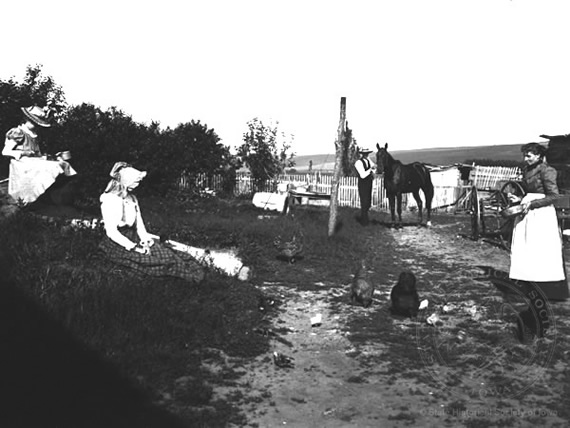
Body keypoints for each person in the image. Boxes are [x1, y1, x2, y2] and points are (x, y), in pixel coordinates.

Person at [99, 162, 205, 283]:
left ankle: (191, 278)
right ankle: (177, 281)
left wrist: (145, 241)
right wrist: (134, 248)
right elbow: (112, 232)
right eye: (135, 182)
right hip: (118, 242)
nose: (137, 185)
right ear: (126, 181)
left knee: (170, 255)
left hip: (135, 236)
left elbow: (139, 225)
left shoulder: (132, 198)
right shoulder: (110, 200)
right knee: (155, 261)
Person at [507, 142, 568, 300]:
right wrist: (519, 199)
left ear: (539, 156)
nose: (525, 158)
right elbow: (530, 192)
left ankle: (549, 289)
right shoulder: (527, 170)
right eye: (524, 155)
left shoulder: (547, 171)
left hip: (541, 215)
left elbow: (553, 196)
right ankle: (528, 284)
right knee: (526, 247)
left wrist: (532, 204)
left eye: (529, 155)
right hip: (527, 212)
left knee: (541, 249)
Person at [2, 106, 76, 205]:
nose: (36, 126)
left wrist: (51, 157)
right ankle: (29, 198)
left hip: (34, 162)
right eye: (34, 122)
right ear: (26, 119)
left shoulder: (34, 135)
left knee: (63, 164)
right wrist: (23, 153)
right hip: (22, 163)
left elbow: (37, 154)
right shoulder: (18, 132)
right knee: (52, 168)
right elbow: (5, 152)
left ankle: (49, 194)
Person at [354, 147, 375, 225]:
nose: (366, 155)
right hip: (363, 184)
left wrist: (373, 169)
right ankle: (364, 221)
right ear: (361, 154)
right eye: (365, 153)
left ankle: (366, 220)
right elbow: (362, 175)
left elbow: (374, 167)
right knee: (364, 202)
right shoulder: (358, 163)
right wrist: (370, 170)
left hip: (369, 183)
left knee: (368, 202)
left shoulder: (368, 160)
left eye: (367, 153)